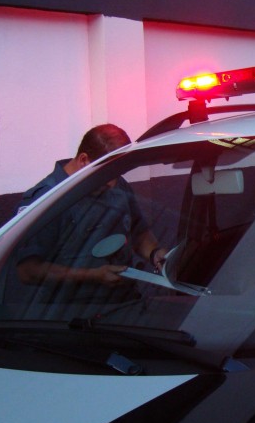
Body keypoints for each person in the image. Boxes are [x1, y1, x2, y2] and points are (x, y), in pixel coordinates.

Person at [13, 124, 167, 304]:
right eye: (106, 174)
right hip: (71, 314)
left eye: (117, 174)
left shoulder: (115, 183)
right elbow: (28, 271)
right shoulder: (46, 199)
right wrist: (92, 276)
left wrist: (155, 253)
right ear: (84, 160)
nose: (112, 183)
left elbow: (138, 231)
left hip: (125, 305)